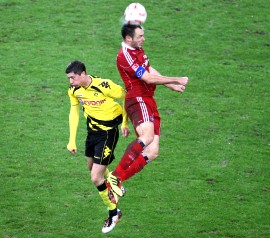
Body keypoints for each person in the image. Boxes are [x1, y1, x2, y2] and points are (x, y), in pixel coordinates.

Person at [106, 24, 189, 197]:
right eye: (140, 36)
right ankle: (115, 176)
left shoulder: (138, 49)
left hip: (148, 100)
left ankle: (117, 178)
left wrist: (170, 85)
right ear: (129, 38)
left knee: (152, 152)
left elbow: (149, 69)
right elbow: (147, 78)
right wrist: (177, 78)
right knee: (147, 137)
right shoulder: (125, 56)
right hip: (138, 98)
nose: (143, 39)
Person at [65, 60, 130, 234]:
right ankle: (113, 182)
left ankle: (114, 213)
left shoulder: (104, 85)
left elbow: (125, 96)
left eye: (73, 77)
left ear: (83, 74)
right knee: (91, 167)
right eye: (69, 78)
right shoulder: (74, 91)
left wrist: (124, 122)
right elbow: (74, 112)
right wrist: (72, 140)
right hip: (92, 132)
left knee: (95, 177)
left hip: (108, 133)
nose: (71, 81)